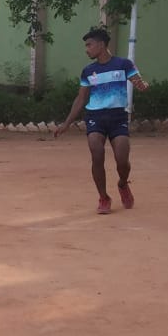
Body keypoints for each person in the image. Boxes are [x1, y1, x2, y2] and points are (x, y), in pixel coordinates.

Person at [55, 27, 149, 214]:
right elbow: (81, 98)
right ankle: (104, 198)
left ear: (101, 44)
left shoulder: (123, 64)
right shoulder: (88, 71)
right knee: (96, 153)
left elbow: (138, 80)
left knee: (122, 160)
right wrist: (66, 123)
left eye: (89, 45)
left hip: (118, 117)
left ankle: (122, 184)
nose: (86, 49)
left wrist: (142, 85)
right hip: (95, 117)